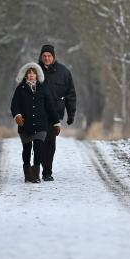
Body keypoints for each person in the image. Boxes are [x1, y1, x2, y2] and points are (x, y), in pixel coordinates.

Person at [10, 62, 61, 183]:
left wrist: (56, 122)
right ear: (25, 76)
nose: (32, 75)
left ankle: (36, 175)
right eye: (29, 73)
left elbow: (50, 107)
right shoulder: (20, 89)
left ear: (37, 75)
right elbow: (14, 105)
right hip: (25, 125)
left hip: (40, 124)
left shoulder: (43, 88)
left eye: (34, 73)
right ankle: (28, 174)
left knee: (38, 149)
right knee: (26, 150)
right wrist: (17, 115)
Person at [38, 44, 77, 181]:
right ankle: (38, 168)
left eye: (49, 56)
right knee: (38, 142)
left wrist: (71, 114)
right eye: (44, 56)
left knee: (50, 143)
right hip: (36, 113)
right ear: (41, 57)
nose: (46, 58)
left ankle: (47, 172)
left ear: (53, 57)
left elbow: (70, 95)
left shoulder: (64, 72)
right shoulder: (34, 71)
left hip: (54, 115)